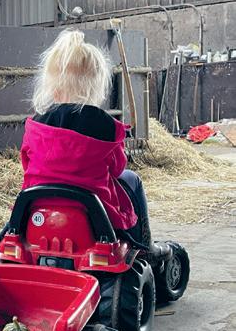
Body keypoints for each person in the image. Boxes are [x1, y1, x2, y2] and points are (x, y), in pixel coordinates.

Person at [18, 28, 169, 262]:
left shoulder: (37, 122)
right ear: (96, 87)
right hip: (94, 211)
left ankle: (11, 233)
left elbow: (26, 161)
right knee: (132, 179)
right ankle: (144, 246)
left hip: (36, 206)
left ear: (53, 88)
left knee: (14, 219)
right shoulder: (106, 125)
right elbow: (117, 168)